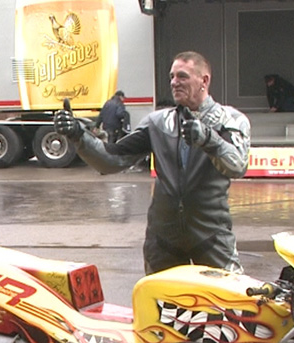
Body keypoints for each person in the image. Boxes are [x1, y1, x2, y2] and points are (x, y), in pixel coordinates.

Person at [54, 51, 250, 275]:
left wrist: (208, 139)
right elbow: (112, 160)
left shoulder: (231, 120)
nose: (174, 82)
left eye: (182, 76)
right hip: (163, 237)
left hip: (211, 234)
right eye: (172, 77)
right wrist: (79, 135)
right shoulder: (158, 122)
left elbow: (237, 166)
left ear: (204, 80)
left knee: (228, 304)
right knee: (161, 306)